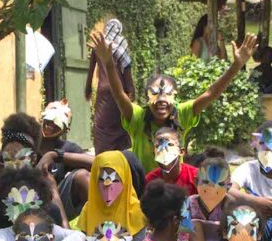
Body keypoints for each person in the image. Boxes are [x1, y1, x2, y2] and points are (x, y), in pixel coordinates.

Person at [89, 29, 258, 172]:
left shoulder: (181, 114)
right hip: (143, 191)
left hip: (174, 188)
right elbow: (119, 94)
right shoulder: (138, 117)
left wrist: (236, 65)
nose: (161, 99)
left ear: (175, 96)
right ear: (147, 98)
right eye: (155, 93)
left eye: (167, 94)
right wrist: (109, 64)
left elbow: (210, 93)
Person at [35, 99, 95, 221]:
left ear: (65, 129)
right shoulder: (29, 144)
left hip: (57, 204)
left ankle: (100, 225)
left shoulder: (66, 148)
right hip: (27, 200)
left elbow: (97, 162)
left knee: (83, 176)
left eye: (56, 122)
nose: (50, 124)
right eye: (49, 119)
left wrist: (57, 156)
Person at [76, 150, 147, 241]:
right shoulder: (89, 209)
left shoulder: (136, 210)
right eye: (101, 180)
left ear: (125, 180)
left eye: (116, 180)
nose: (108, 188)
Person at [86, 18, 136, 154]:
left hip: (103, 94)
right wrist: (131, 93)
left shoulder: (99, 47)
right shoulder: (122, 45)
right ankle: (121, 159)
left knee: (102, 126)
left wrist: (88, 90)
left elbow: (91, 71)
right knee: (121, 127)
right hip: (119, 91)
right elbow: (127, 72)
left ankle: (102, 156)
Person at [188, 148, 233, 241]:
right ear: (196, 182)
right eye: (206, 182)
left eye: (220, 184)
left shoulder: (232, 207)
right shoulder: (188, 205)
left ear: (228, 186)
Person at [144, 127, 199, 196]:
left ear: (181, 151)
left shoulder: (197, 177)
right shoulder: (149, 182)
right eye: (158, 146)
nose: (163, 150)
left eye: (170, 145)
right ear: (153, 153)